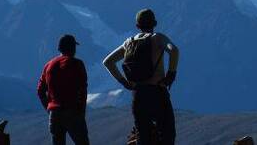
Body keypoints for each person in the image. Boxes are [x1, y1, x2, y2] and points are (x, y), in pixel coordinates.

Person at [103, 8, 180, 145]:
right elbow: (174, 50)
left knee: (143, 135)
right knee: (167, 133)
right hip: (157, 92)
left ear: (137, 26)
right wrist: (170, 75)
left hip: (138, 95)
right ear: (154, 23)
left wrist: (124, 82)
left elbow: (108, 62)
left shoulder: (129, 42)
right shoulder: (158, 38)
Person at [37, 34, 90, 145]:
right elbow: (83, 90)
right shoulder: (77, 64)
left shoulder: (48, 66)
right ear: (72, 48)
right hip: (73, 112)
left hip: (54, 114)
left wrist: (49, 108)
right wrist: (81, 112)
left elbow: (40, 91)